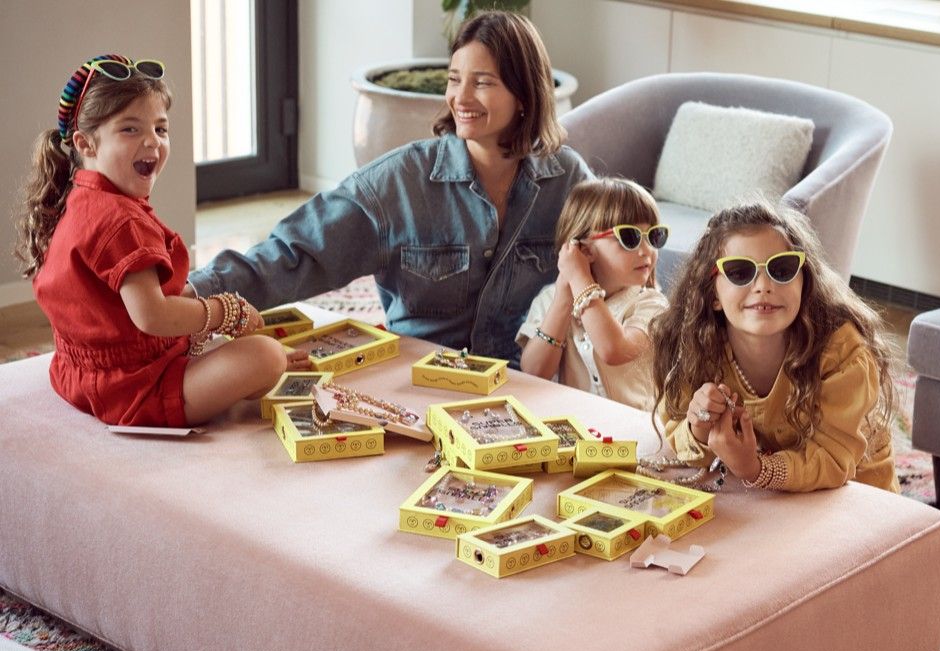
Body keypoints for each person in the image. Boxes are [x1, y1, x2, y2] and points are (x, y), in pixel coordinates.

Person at [185, 11, 592, 366]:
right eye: (454, 80)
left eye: (482, 83)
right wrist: (191, 295)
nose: (460, 97)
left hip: (531, 385)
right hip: (419, 383)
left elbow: (623, 252)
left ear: (524, 95)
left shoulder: (567, 179)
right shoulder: (399, 183)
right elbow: (295, 254)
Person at [16, 54, 285, 427]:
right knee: (268, 357)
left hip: (76, 373)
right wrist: (226, 312)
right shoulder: (121, 220)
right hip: (134, 387)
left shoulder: (77, 196)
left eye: (161, 129)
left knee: (214, 329)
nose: (152, 142)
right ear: (86, 144)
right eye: (130, 129)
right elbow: (152, 316)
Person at [649, 201, 899, 492]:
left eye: (781, 269)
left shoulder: (842, 351)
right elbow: (676, 430)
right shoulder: (695, 345)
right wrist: (699, 430)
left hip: (858, 490)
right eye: (740, 272)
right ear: (712, 293)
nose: (763, 285)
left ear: (804, 282)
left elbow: (834, 459)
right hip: (774, 499)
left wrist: (755, 469)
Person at [516, 178, 668, 410]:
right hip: (576, 427)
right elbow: (535, 371)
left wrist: (581, 281)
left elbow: (614, 350)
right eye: (630, 237)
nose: (646, 250)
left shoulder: (651, 305)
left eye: (654, 237)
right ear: (583, 248)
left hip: (635, 430)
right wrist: (564, 299)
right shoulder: (551, 299)